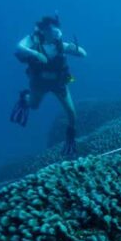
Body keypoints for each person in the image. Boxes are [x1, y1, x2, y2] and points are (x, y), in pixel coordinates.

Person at [10, 15, 87, 156]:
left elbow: (83, 54)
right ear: (44, 30)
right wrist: (35, 54)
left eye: (57, 29)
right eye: (52, 29)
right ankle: (24, 97)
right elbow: (19, 47)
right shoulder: (33, 42)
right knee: (33, 105)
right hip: (39, 83)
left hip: (59, 83)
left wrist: (76, 49)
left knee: (71, 113)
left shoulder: (61, 45)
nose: (56, 32)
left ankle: (70, 141)